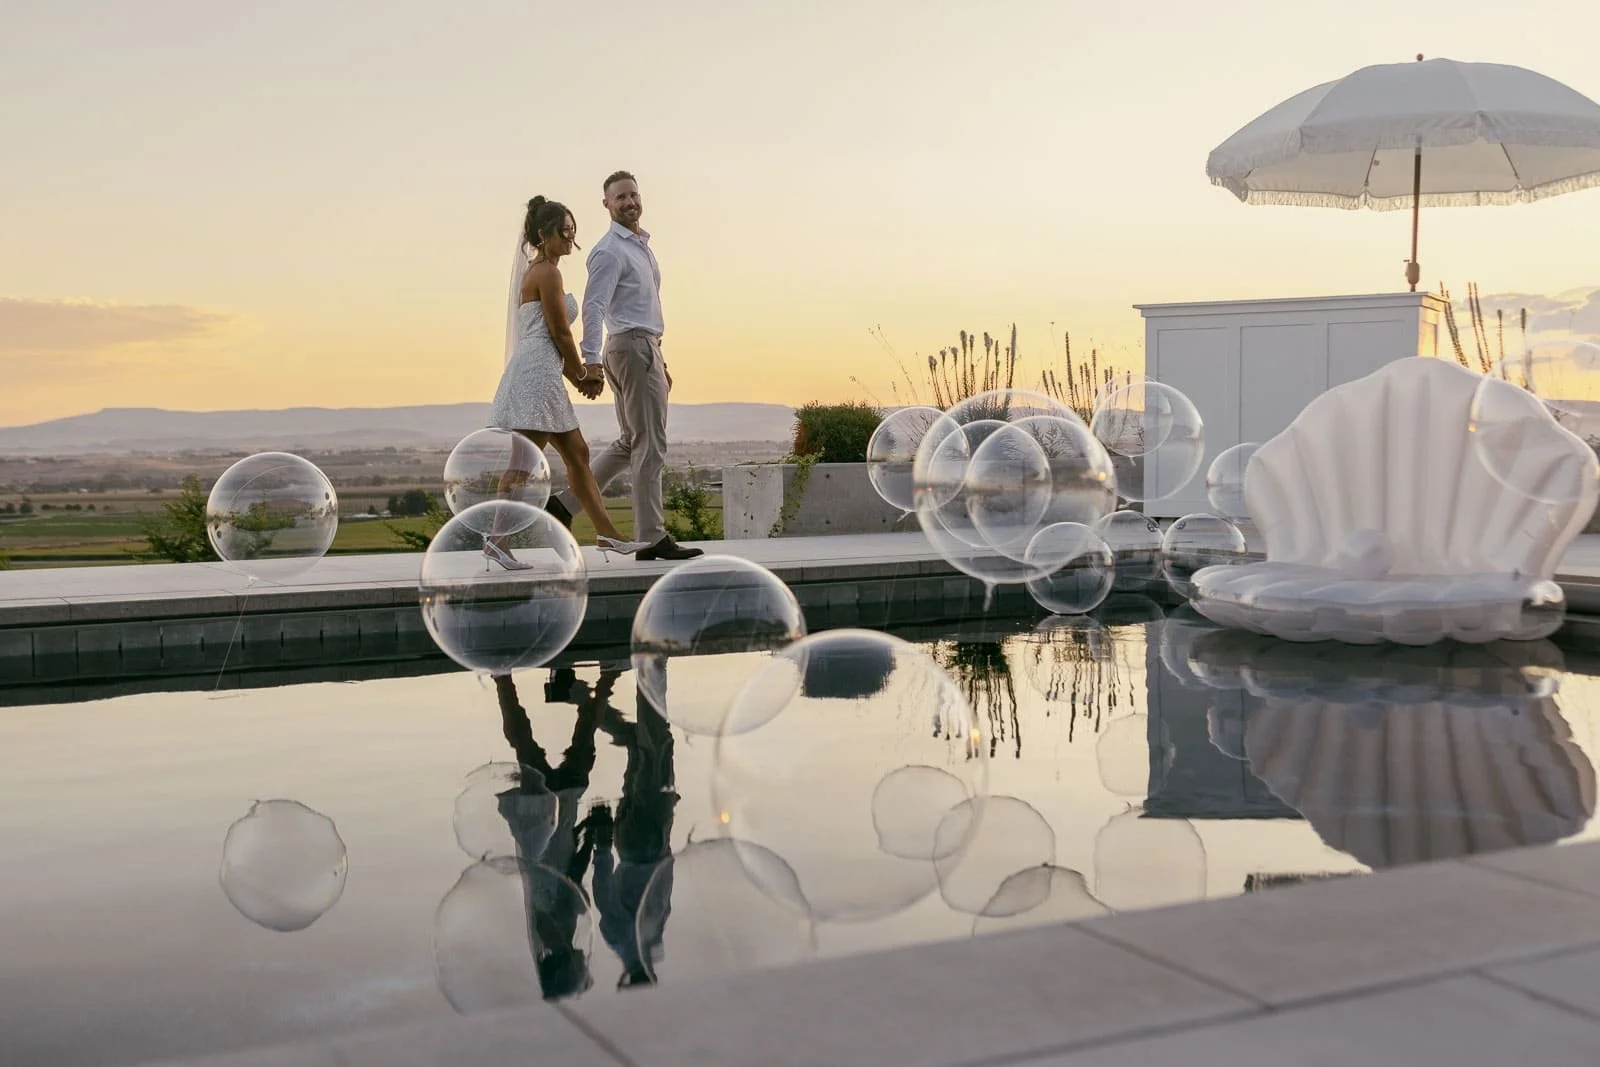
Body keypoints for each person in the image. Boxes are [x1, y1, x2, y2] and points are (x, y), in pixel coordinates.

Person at [544, 171, 703, 562]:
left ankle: (563, 506)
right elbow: (595, 307)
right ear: (607, 205)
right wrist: (591, 361)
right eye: (620, 198)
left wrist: (658, 356)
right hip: (630, 348)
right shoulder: (609, 251)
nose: (629, 202)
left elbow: (644, 307)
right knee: (651, 445)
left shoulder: (640, 246)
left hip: (642, 347)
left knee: (631, 442)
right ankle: (651, 537)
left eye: (633, 194)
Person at [489, 196, 649, 565]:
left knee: (577, 454)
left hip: (541, 370)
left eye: (573, 232)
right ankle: (497, 540)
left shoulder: (540, 270)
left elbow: (551, 338)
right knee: (524, 462)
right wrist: (581, 376)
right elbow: (559, 333)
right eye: (564, 232)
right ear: (544, 234)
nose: (570, 239)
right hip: (538, 376)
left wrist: (574, 376)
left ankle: (608, 535)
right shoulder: (547, 272)